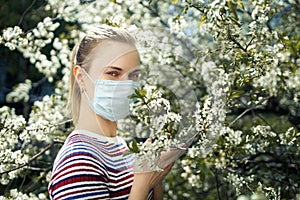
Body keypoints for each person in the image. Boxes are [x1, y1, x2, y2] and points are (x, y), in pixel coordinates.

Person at [48, 25, 173, 200]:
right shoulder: (77, 161)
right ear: (81, 77)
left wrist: (155, 180)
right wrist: (142, 185)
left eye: (133, 76)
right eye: (113, 73)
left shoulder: (121, 147)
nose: (127, 86)